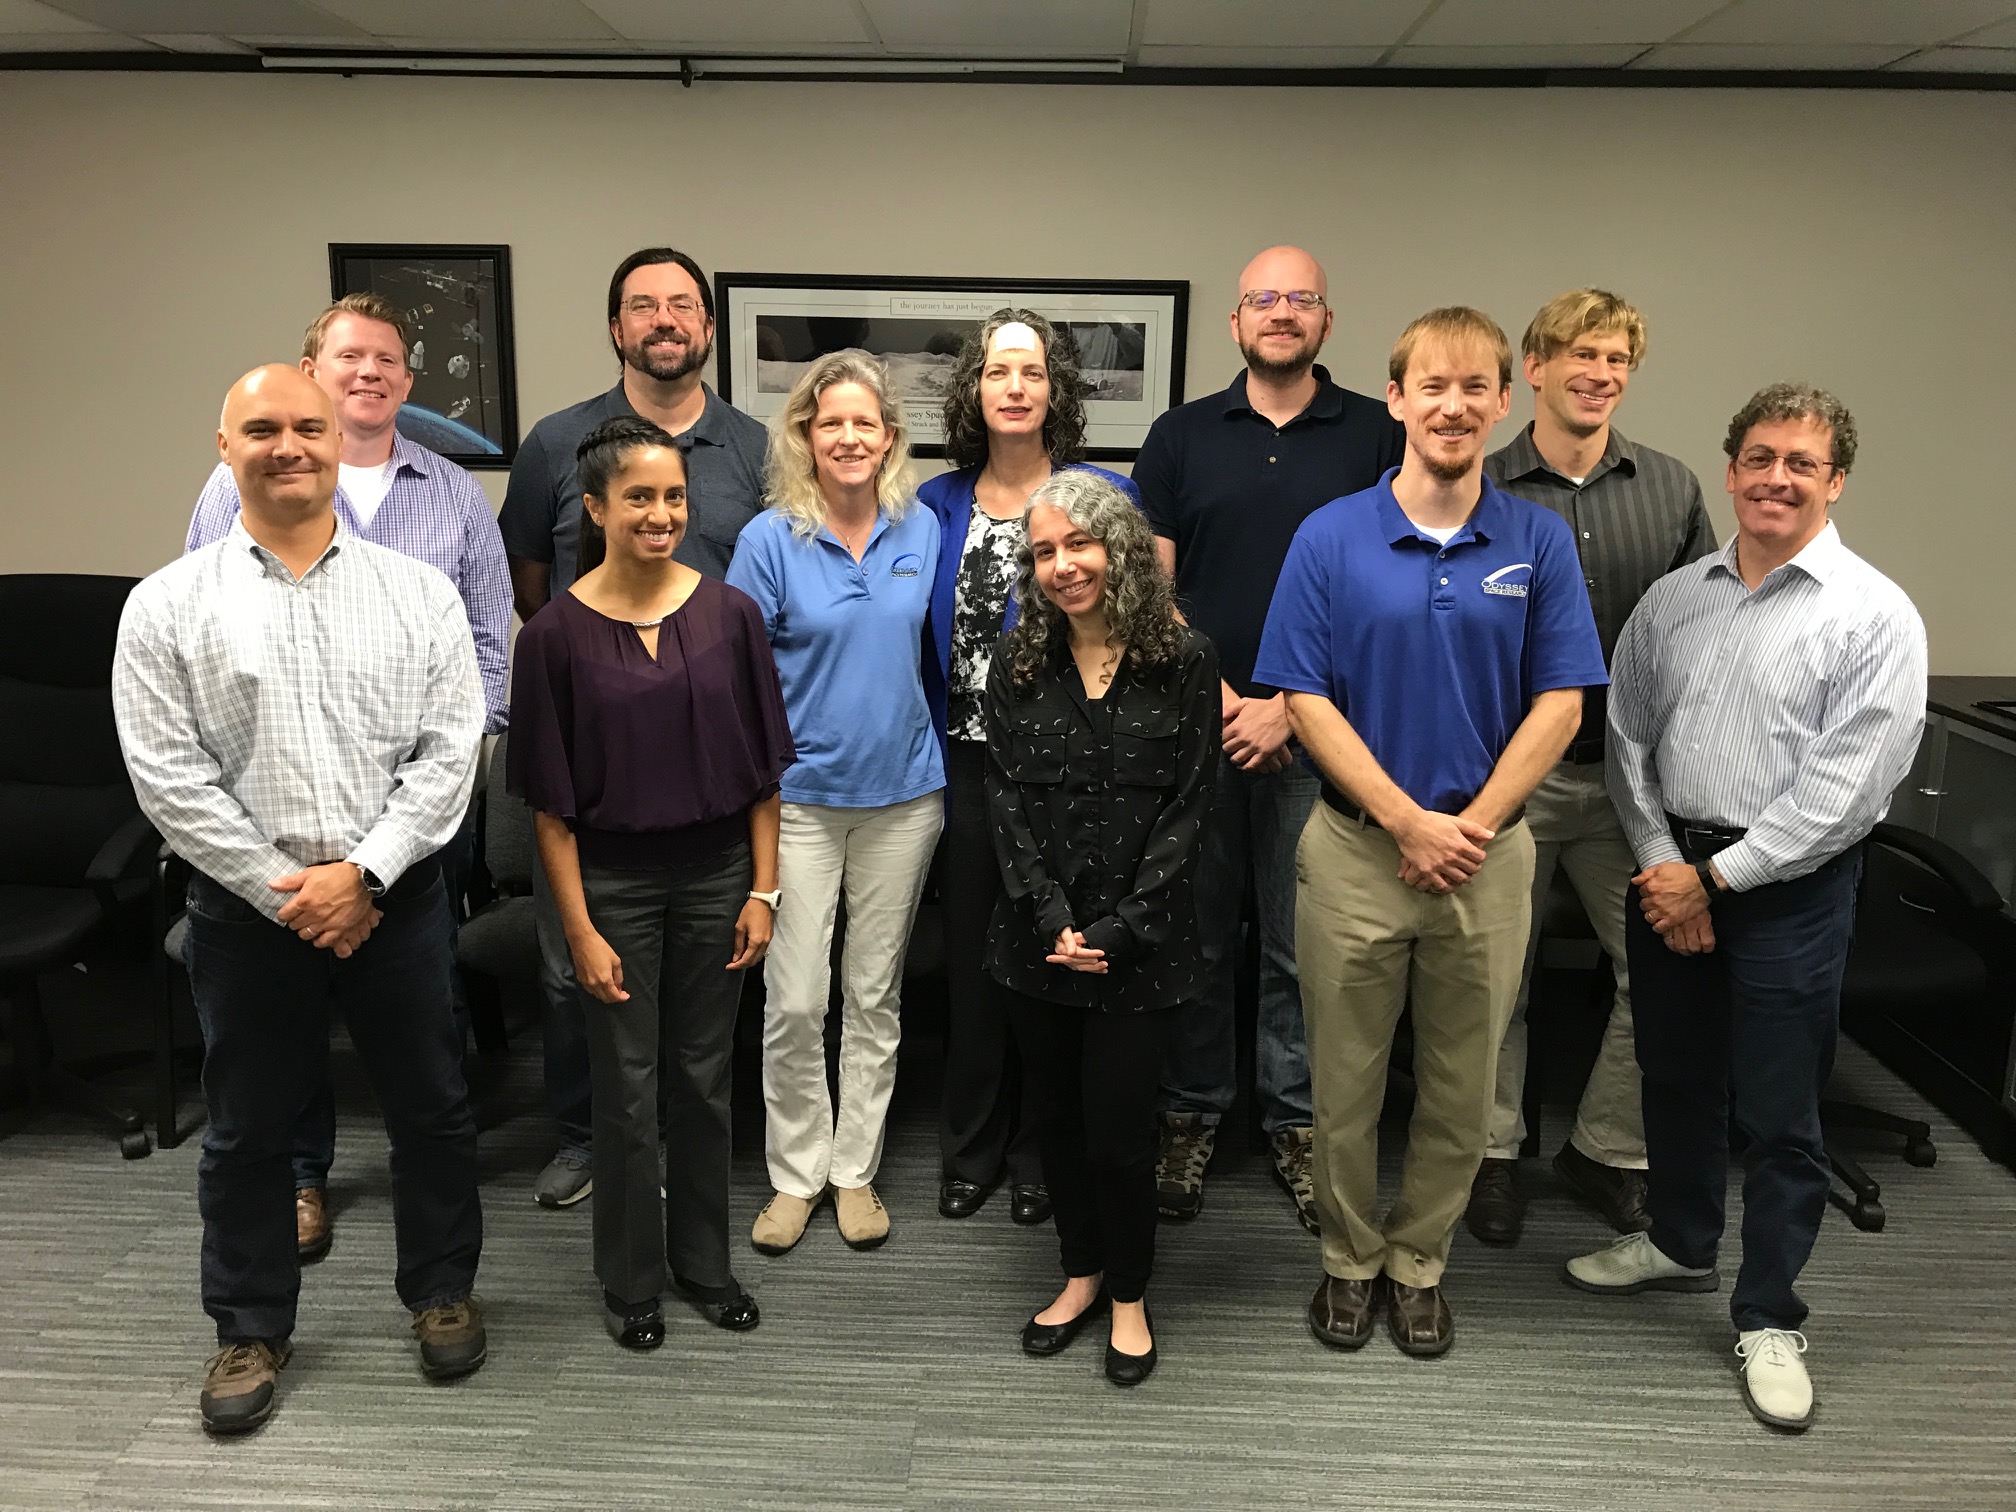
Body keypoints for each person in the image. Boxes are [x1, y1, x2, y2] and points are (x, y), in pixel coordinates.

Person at [113, 365, 487, 1433]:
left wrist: (362, 876)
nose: (290, 446)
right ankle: (249, 1326)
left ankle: (441, 1290)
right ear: (225, 447)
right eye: (263, 428)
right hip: (247, 913)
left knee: (432, 1109)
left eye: (308, 427)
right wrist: (293, 893)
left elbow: (449, 751)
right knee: (247, 1130)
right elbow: (168, 779)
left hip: (394, 901)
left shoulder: (418, 593)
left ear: (339, 441)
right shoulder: (166, 605)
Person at [1566, 384, 1926, 1434]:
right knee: (1675, 1076)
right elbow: (1627, 742)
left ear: (1835, 481)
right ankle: (1681, 1241)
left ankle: (1769, 1315)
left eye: (1801, 463)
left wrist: (1716, 881)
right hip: (1671, 867)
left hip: (1787, 889)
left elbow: (1846, 790)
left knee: (1780, 1113)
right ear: (1730, 471)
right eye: (1759, 457)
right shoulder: (1675, 601)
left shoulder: (1873, 614)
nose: (1776, 478)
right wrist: (1662, 864)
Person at [1254, 307, 1607, 1358]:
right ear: (1397, 398)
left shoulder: (1537, 541)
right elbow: (1303, 698)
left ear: (1503, 401)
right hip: (1357, 851)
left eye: (1474, 388)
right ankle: (1348, 1259)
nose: (1453, 406)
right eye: (1432, 387)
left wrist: (1469, 828)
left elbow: (1561, 705)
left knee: (1462, 1087)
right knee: (1345, 1084)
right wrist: (1408, 822)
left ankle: (1418, 1265)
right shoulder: (1329, 536)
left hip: (1487, 861)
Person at [185, 292, 511, 1264]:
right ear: (312, 374)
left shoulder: (454, 496)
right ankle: (301, 1175)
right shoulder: (233, 486)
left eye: (387, 360)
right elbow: (200, 640)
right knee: (279, 1027)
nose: (369, 372)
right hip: (275, 822)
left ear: (408, 382)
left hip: (415, 813)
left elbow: (492, 651)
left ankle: (438, 1243)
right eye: (349, 357)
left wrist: (417, 804)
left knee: (420, 1015)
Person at [509, 416, 794, 1350]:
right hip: (613, 886)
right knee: (626, 1092)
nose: (661, 513)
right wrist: (580, 930)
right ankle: (631, 1278)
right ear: (596, 509)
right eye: (639, 497)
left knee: (705, 1081)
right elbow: (549, 811)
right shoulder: (554, 636)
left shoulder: (730, 616)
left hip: (718, 878)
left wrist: (763, 892)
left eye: (674, 496)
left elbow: (764, 777)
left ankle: (704, 1264)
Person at [1137, 246, 1404, 1230]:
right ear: (1236, 322)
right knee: (1197, 935)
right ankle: (1192, 1111)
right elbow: (1151, 590)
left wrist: (1289, 706)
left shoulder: (1378, 435)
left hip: (1322, 739)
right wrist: (1223, 700)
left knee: (1303, 945)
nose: (1280, 312)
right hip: (1197, 731)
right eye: (1263, 298)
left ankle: (1295, 1122)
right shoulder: (1180, 435)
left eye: (1300, 298)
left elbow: (1387, 588)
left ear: (1326, 320)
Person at [497, 247, 769, 1209]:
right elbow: (529, 582)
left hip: (710, 753)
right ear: (616, 327)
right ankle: (587, 1138)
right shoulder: (554, 442)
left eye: (683, 305)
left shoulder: (756, 448)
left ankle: (693, 1149)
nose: (665, 320)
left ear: (707, 327)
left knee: (706, 980)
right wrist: (601, 678)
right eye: (643, 305)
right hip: (594, 748)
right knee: (573, 972)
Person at [1466, 290, 1717, 1247]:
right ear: (1534, 368)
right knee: (1496, 978)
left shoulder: (1671, 488)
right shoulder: (1480, 486)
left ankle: (1607, 1150)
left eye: (1616, 359)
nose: (1599, 373)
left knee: (1659, 969)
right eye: (1580, 354)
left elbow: (1700, 631)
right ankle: (1492, 1152)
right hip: (1510, 778)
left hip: (1628, 784)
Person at [987, 468, 1216, 1388]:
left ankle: (1128, 1294)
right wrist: (1053, 917)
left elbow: (1192, 805)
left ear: (1119, 548)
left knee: (1120, 1137)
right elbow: (1004, 800)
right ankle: (1079, 1274)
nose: (1064, 566)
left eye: (1079, 544)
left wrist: (1119, 929)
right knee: (1055, 1123)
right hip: (1037, 942)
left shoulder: (1185, 657)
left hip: (1140, 949)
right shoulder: (1018, 661)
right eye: (1044, 551)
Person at [920, 308, 1140, 1227]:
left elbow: (1140, 618)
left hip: (1071, 774)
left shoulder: (1099, 495)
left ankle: (1042, 1156)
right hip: (965, 766)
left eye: (1034, 372)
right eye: (997, 371)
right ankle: (972, 1146)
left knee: (1056, 962)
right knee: (975, 967)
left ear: (1058, 390)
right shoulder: (934, 504)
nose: (1015, 387)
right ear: (974, 389)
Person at [726, 350, 943, 1255]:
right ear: (805, 437)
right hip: (800, 801)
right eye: (831, 424)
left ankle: (853, 1170)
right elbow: (737, 678)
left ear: (889, 437)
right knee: (795, 1000)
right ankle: (795, 1174)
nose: (849, 438)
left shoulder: (922, 527)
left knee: (873, 993)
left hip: (906, 796)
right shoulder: (769, 539)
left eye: (865, 423)